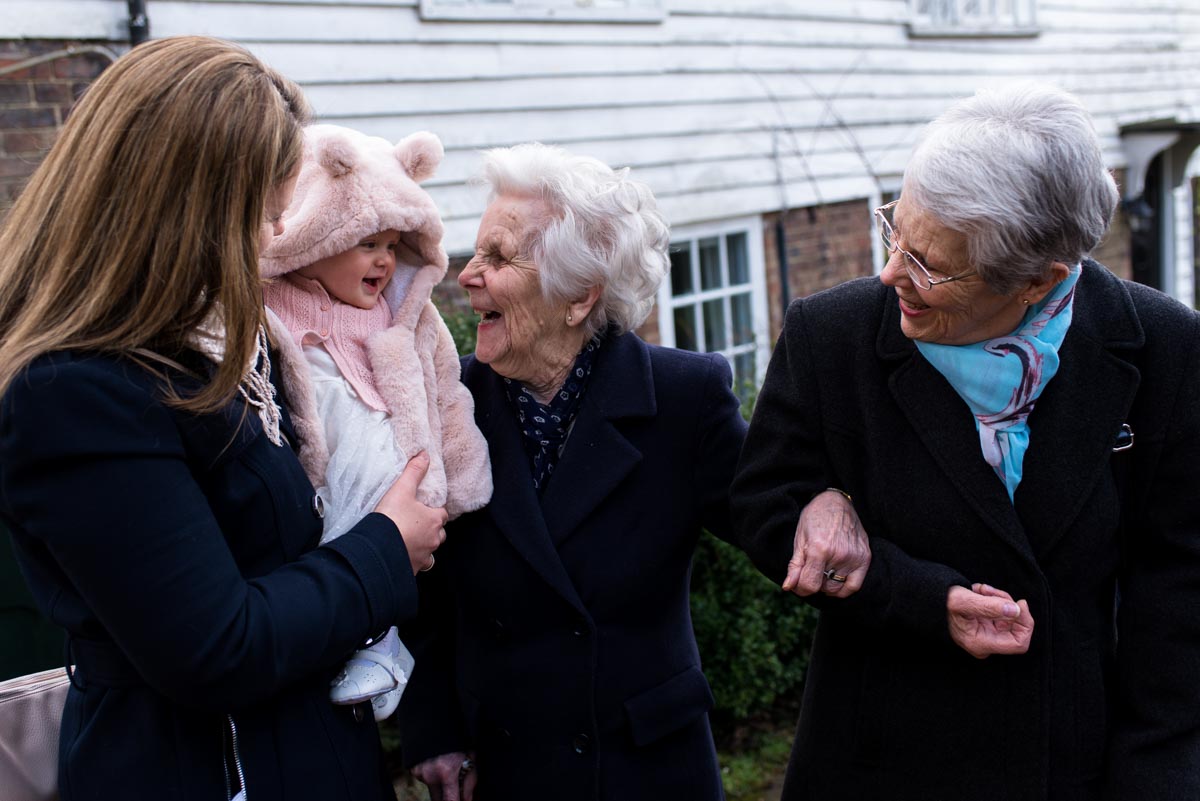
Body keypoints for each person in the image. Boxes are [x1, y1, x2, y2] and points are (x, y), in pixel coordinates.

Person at [0, 36, 448, 801]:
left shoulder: (221, 346)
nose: (275, 236)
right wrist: (385, 547)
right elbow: (215, 646)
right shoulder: (77, 394)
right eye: (263, 214)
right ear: (186, 213)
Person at [732, 82, 1200, 801]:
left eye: (931, 265)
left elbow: (1177, 605)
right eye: (896, 231)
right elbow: (763, 504)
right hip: (878, 763)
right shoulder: (834, 336)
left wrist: (1157, 781)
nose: (892, 273)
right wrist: (890, 572)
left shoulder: (1164, 349)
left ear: (1040, 279)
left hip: (1069, 766)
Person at [397, 143, 747, 801]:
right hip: (508, 767)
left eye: (497, 257)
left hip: (649, 768)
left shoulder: (684, 399)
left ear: (580, 296)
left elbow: (781, 526)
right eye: (476, 253)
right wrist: (434, 726)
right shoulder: (448, 403)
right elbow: (425, 598)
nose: (466, 275)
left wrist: (834, 502)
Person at [260, 123, 491, 722]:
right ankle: (360, 644)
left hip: (393, 462)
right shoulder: (267, 301)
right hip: (318, 467)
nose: (385, 260)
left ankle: (383, 647)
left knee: (376, 538)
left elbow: (445, 389)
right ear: (315, 234)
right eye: (367, 243)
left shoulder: (405, 309)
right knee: (334, 542)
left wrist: (461, 477)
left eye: (393, 245)